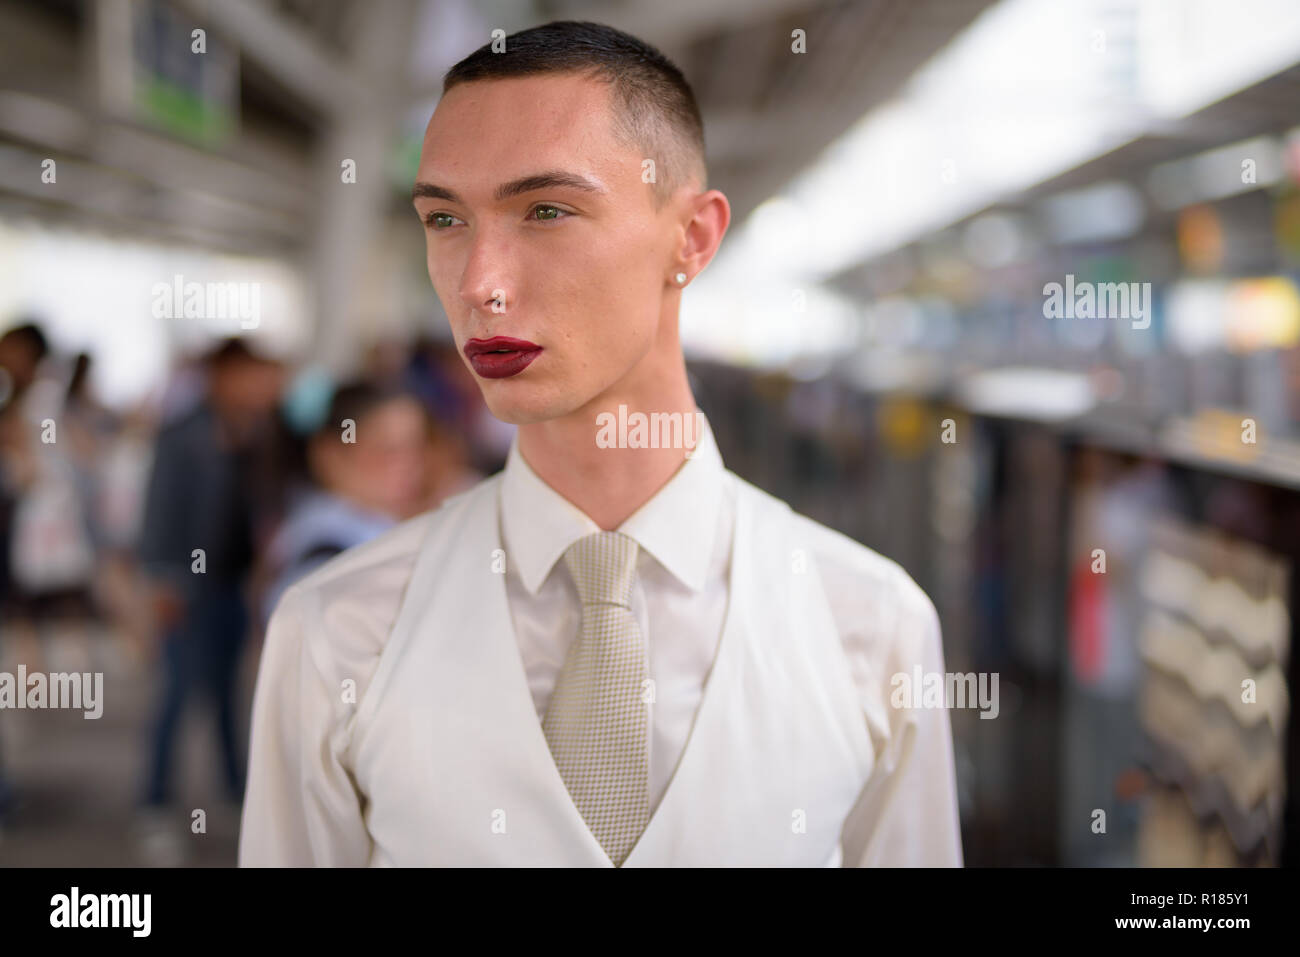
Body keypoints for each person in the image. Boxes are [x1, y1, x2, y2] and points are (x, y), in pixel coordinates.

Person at [240, 20, 962, 867]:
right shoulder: (334, 631)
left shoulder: (875, 628)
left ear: (691, 238)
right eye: (444, 219)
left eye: (546, 210)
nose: (480, 283)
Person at [136, 337, 283, 859]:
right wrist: (163, 581)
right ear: (221, 376)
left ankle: (234, 796)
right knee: (176, 698)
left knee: (229, 697)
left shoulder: (260, 433)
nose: (263, 388)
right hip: (186, 589)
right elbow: (158, 510)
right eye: (252, 377)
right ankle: (154, 806)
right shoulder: (182, 434)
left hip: (234, 588)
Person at [258, 382, 431, 627]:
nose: (409, 465)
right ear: (328, 453)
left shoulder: (378, 535)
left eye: (416, 446)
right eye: (387, 449)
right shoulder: (328, 556)